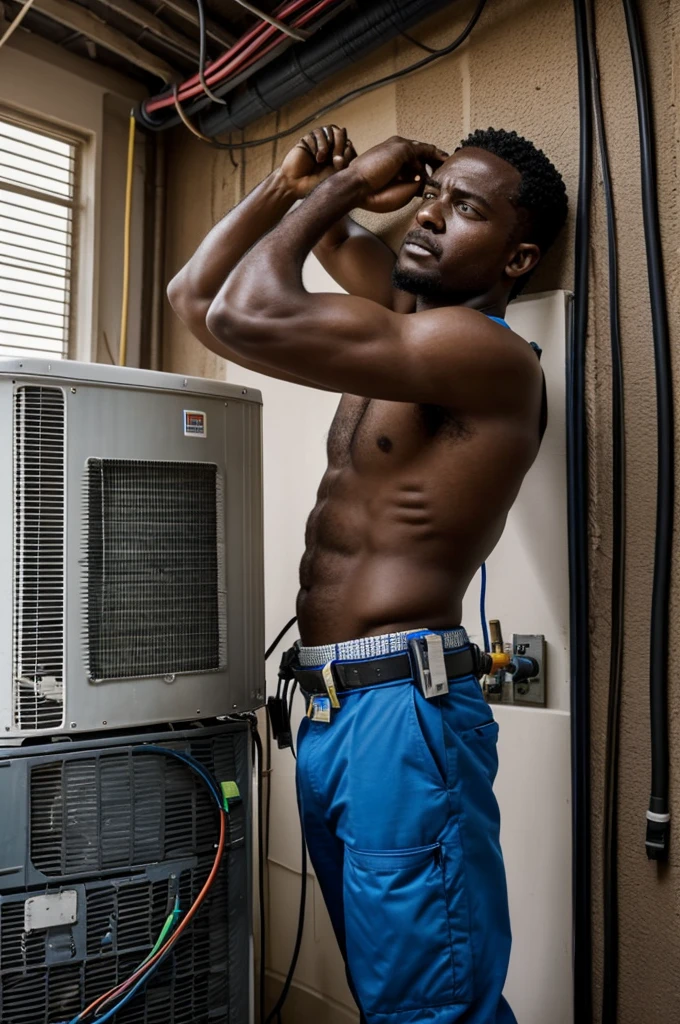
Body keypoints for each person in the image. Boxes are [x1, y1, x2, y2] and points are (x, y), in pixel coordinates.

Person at [168, 124, 567, 1024]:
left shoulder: (483, 356)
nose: (429, 213)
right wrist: (288, 186)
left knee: (432, 1008)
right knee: (392, 998)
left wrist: (346, 187)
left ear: (520, 255)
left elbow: (244, 314)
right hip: (335, 714)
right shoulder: (400, 322)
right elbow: (195, 296)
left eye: (465, 208)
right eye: (434, 193)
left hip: (402, 715)